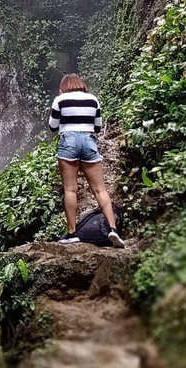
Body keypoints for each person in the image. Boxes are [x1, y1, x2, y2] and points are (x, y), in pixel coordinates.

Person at [49, 73, 124, 247]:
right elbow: (97, 127)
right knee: (100, 190)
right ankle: (113, 229)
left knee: (70, 189)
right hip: (89, 141)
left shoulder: (60, 100)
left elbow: (52, 126)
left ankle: (72, 233)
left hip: (68, 141)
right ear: (81, 84)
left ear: (64, 86)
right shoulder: (93, 100)